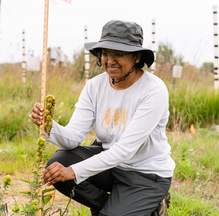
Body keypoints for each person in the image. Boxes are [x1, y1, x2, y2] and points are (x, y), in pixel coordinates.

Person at [31, 20, 175, 216]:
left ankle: (152, 204)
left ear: (136, 56)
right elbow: (73, 137)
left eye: (119, 53)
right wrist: (49, 126)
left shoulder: (153, 90)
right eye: (106, 53)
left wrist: (74, 172)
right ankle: (108, 207)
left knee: (70, 171)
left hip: (145, 174)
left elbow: (124, 150)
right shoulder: (95, 86)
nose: (110, 60)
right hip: (110, 167)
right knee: (58, 166)